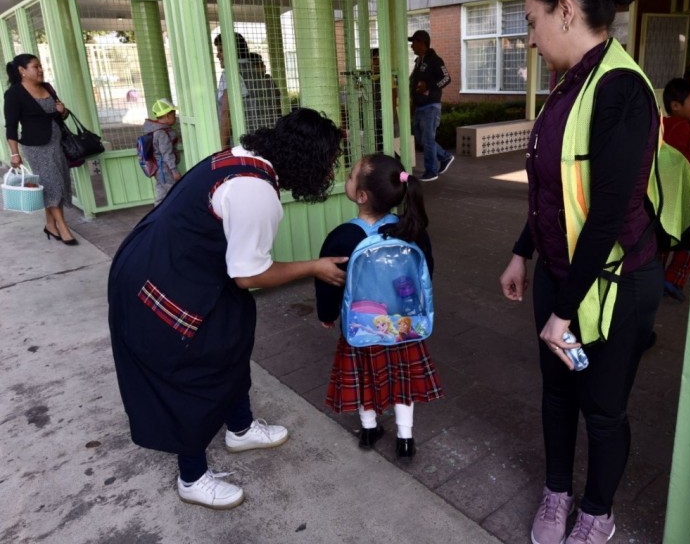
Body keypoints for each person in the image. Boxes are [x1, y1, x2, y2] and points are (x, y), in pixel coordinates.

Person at [498, 0, 662, 543]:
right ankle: (557, 491)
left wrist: (564, 312)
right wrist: (523, 250)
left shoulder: (620, 89)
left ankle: (597, 511)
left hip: (613, 284)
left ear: (564, 11)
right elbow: (553, 187)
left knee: (603, 406)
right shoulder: (573, 80)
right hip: (561, 273)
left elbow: (606, 215)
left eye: (530, 20)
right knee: (558, 392)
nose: (531, 36)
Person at [108, 108, 348, 510]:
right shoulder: (256, 192)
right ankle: (192, 476)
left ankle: (239, 427)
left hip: (176, 263)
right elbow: (250, 276)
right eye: (327, 163)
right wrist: (314, 267)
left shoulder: (244, 155)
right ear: (306, 160)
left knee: (233, 336)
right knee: (192, 369)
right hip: (161, 279)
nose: (329, 172)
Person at [315, 153, 443, 462]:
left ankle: (369, 429)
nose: (347, 179)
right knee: (403, 381)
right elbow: (427, 270)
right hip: (404, 326)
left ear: (360, 196)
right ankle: (405, 438)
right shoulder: (410, 228)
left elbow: (329, 281)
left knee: (364, 378)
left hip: (362, 326)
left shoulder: (343, 237)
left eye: (350, 176)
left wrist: (327, 315)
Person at [4, 53, 78, 245]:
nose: (40, 70)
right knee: (54, 185)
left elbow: (59, 115)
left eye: (40, 66)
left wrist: (63, 111)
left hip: (56, 145)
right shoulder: (14, 93)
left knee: (58, 183)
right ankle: (63, 227)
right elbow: (11, 126)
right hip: (36, 148)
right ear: (22, 71)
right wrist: (14, 153)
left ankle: (50, 225)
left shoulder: (47, 87)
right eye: (35, 67)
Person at [660, 77, 690, 301]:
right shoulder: (683, 127)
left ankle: (653, 277)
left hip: (663, 194)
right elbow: (679, 159)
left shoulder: (664, 124)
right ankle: (673, 279)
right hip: (680, 193)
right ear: (676, 106)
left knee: (662, 238)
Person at [214, 32, 281, 148]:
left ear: (231, 50)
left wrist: (222, 145)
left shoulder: (230, 74)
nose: (217, 55)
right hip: (268, 140)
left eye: (220, 50)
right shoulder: (257, 72)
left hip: (245, 143)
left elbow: (227, 112)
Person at [408, 30, 454, 182]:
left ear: (422, 43)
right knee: (421, 138)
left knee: (427, 138)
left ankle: (431, 171)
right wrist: (412, 104)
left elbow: (446, 78)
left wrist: (429, 87)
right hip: (420, 107)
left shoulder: (435, 60)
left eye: (414, 42)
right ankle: (445, 156)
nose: (411, 46)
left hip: (431, 107)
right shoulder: (419, 61)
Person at [142, 98, 181, 206]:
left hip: (159, 170)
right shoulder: (162, 133)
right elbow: (167, 153)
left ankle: (156, 216)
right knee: (174, 193)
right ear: (168, 115)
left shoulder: (154, 129)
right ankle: (173, 217)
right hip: (165, 169)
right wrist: (174, 171)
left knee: (161, 194)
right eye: (174, 115)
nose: (175, 118)